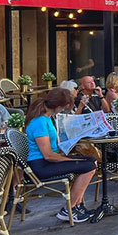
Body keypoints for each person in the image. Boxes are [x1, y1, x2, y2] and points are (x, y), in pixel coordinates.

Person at [24, 88, 97, 223]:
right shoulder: (40, 122)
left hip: (47, 161)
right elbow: (48, 155)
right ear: (58, 107)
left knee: (91, 161)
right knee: (88, 167)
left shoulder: (46, 118)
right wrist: (69, 160)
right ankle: (69, 209)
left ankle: (77, 205)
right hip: (41, 165)